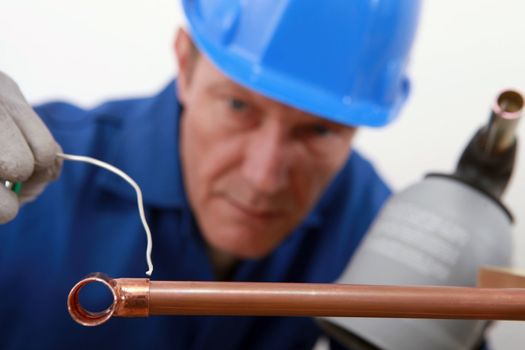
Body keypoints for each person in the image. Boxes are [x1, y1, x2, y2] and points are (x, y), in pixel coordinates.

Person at [0, 0, 421, 349]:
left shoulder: (383, 231)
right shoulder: (28, 186)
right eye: (239, 107)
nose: (263, 177)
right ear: (185, 62)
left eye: (320, 129)